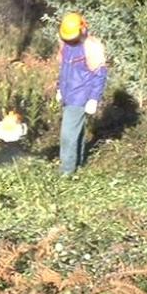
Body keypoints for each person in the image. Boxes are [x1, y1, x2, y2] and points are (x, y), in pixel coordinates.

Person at [55, 12, 107, 175]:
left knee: (68, 134)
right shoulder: (65, 44)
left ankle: (66, 171)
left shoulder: (91, 47)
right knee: (76, 131)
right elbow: (63, 69)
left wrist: (93, 99)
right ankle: (79, 163)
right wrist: (59, 88)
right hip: (67, 94)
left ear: (83, 29)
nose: (70, 39)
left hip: (80, 96)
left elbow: (100, 74)